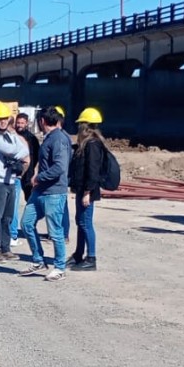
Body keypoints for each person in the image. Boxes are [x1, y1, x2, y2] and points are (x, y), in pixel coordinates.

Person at [17, 107, 72, 280]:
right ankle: (38, 260)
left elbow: (59, 167)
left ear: (42, 121)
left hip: (54, 192)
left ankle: (60, 267)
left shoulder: (59, 139)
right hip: (40, 191)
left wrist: (39, 177)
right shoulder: (49, 138)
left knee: (55, 231)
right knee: (26, 223)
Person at [0, 101, 29, 263]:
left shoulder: (11, 136)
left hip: (10, 180)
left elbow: (25, 150)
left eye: (5, 118)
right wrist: (17, 151)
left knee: (8, 216)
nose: (2, 121)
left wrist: (16, 149)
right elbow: (11, 150)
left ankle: (5, 247)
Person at [69, 107, 106, 271]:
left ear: (85, 126)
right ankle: (78, 254)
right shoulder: (86, 144)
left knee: (86, 223)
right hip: (82, 189)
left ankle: (91, 258)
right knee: (80, 221)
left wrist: (87, 193)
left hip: (87, 191)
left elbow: (92, 171)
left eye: (81, 125)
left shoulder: (92, 145)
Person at [11, 112, 40, 246]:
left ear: (27, 123)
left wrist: (35, 173)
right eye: (18, 123)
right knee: (13, 204)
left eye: (22, 123)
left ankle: (30, 226)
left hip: (29, 175)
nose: (20, 125)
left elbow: (38, 158)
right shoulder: (12, 137)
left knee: (31, 202)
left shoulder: (32, 139)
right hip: (16, 174)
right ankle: (13, 230)